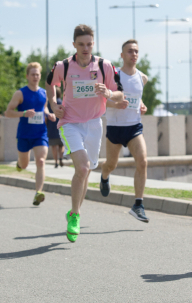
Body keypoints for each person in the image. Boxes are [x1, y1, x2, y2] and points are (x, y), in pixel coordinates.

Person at [46, 24, 124, 243]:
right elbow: (50, 83)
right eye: (81, 44)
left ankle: (73, 212)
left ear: (93, 44)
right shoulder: (63, 66)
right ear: (74, 45)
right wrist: (53, 103)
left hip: (94, 124)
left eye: (89, 44)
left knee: (87, 171)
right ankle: (76, 215)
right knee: (81, 167)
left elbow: (120, 93)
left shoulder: (104, 65)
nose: (85, 48)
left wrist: (108, 92)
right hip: (70, 123)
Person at [100, 39, 151, 222]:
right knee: (111, 164)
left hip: (134, 127)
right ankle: (105, 176)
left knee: (143, 161)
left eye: (136, 51)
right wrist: (115, 103)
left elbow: (137, 99)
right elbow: (102, 100)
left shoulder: (142, 78)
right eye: (130, 51)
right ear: (122, 55)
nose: (134, 54)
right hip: (115, 127)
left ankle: (138, 204)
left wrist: (142, 106)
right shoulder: (114, 76)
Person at [5, 62, 56, 206]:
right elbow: (8, 112)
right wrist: (24, 113)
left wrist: (49, 115)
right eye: (33, 74)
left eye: (38, 74)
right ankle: (20, 164)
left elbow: (43, 109)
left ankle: (38, 192)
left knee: (40, 161)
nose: (35, 76)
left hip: (40, 133)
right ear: (27, 76)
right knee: (25, 164)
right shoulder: (20, 93)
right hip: (24, 135)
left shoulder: (44, 93)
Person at [46, 91, 64, 168]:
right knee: (61, 145)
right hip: (61, 127)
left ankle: (56, 162)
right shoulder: (62, 102)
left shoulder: (49, 103)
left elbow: (46, 115)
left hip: (51, 126)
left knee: (54, 146)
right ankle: (61, 158)